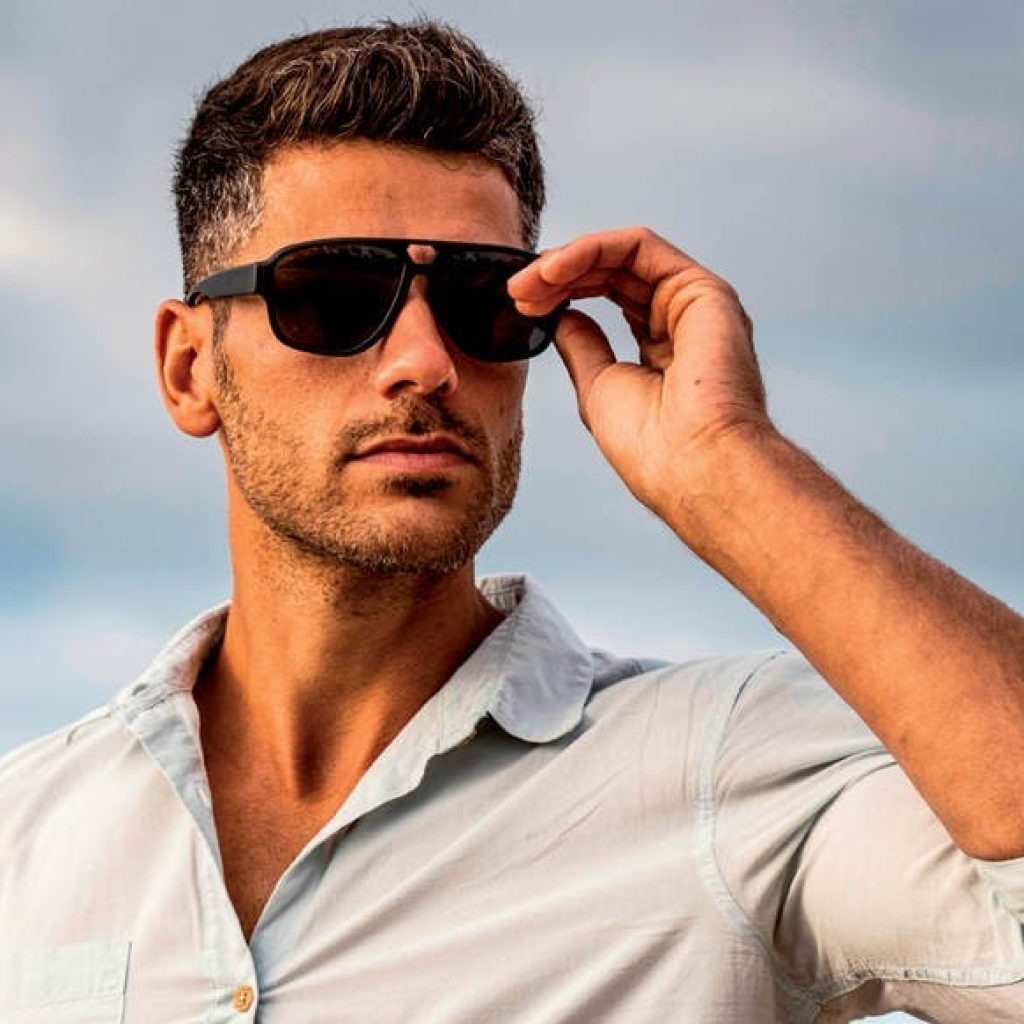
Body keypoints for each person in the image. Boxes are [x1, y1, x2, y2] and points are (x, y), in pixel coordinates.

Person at [1, 18, 1022, 1024]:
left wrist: (728, 465)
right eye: (334, 294)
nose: (425, 361)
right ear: (189, 367)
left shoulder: (724, 772)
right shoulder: (25, 834)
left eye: (484, 300)